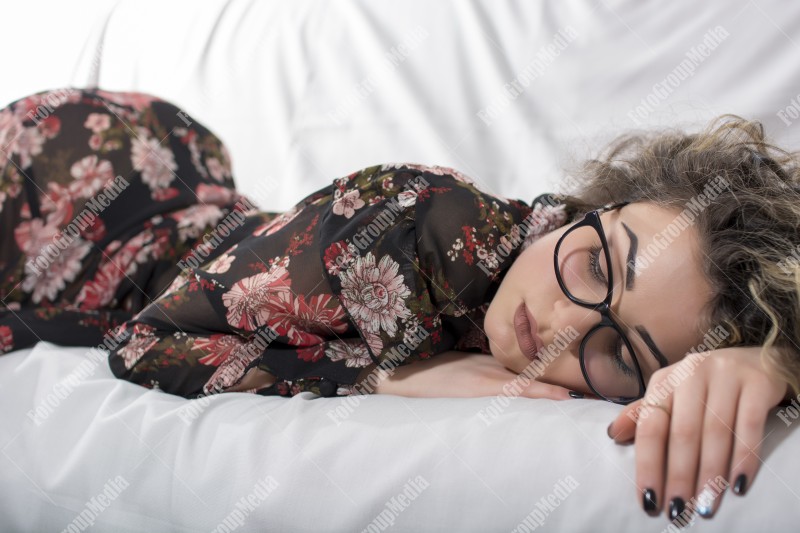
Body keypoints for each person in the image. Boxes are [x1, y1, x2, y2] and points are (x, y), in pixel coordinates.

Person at [1, 88, 798, 526]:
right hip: (83, 184)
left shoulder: (577, 300)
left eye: (621, 352)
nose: (559, 323)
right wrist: (380, 377)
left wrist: (768, 359)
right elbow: (141, 346)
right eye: (595, 262)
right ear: (591, 207)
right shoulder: (424, 216)